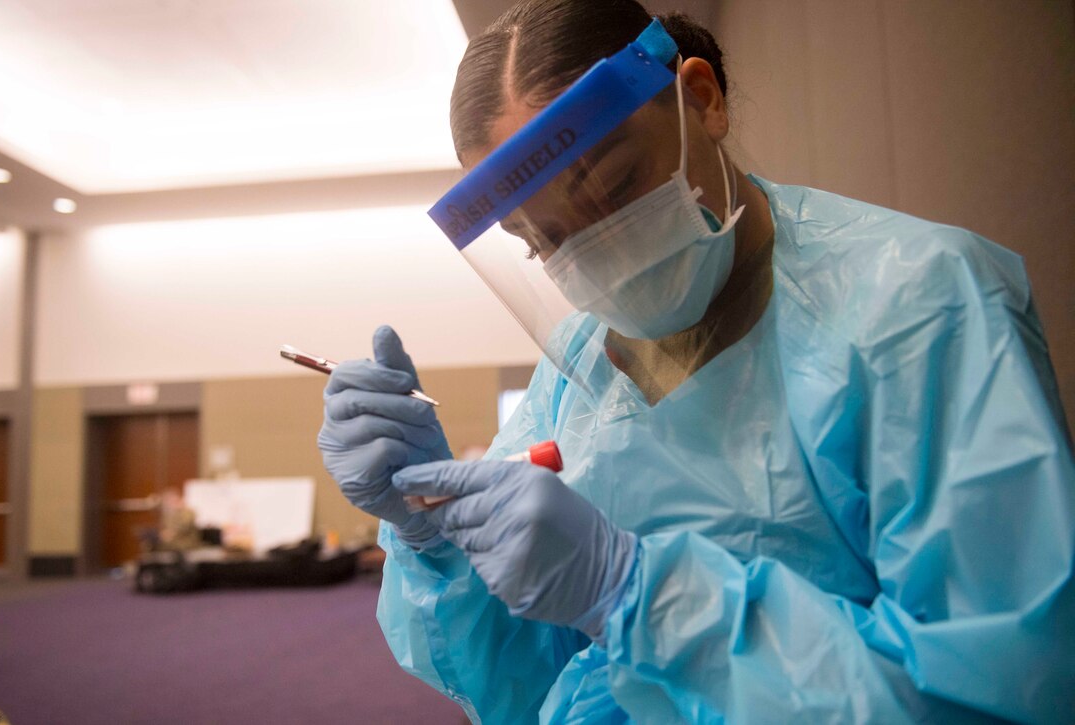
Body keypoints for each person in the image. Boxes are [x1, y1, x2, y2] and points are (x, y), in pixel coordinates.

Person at [318, 1, 1075, 722]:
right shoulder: (579, 366)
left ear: (702, 99)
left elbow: (1001, 688)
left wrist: (642, 596)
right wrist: (432, 533)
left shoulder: (918, 304)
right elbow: (518, 685)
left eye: (615, 188)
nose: (597, 257)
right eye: (542, 240)